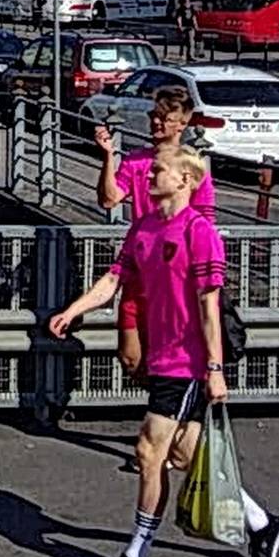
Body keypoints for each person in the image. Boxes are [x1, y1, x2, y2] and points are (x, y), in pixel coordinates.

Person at [49, 147, 279, 557]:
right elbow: (114, 279)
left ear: (185, 180)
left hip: (188, 362)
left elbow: (209, 307)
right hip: (161, 357)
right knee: (185, 456)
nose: (149, 175)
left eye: (159, 170)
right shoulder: (143, 227)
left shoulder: (200, 232)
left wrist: (214, 367)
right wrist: (73, 310)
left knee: (148, 451)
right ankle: (262, 523)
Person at [95, 86, 216, 377]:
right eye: (154, 116)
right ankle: (158, 400)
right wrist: (108, 156)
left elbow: (205, 223)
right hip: (141, 267)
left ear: (182, 123)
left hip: (175, 274)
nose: (156, 123)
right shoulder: (136, 161)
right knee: (131, 359)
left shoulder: (191, 167)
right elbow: (109, 199)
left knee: (171, 356)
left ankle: (171, 401)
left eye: (165, 118)